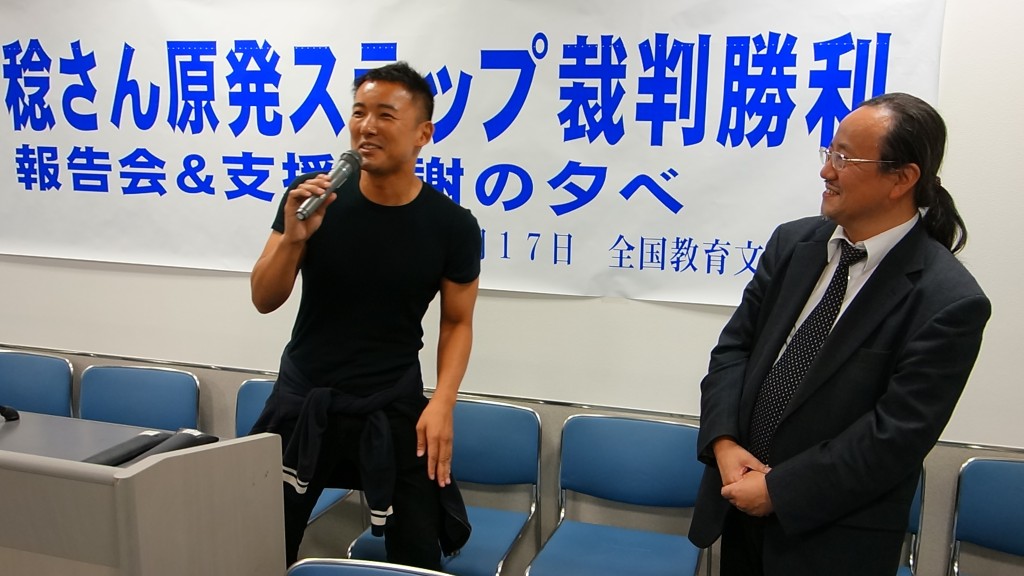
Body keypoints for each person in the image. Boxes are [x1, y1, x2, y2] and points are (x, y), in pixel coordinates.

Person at [688, 93, 991, 575]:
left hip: (830, 538)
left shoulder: (947, 300)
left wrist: (779, 492)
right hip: (739, 508)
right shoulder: (793, 244)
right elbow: (734, 350)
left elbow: (895, 436)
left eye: (845, 158)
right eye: (829, 153)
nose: (827, 171)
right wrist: (724, 443)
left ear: (902, 179)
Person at [248, 61, 480, 569]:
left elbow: (458, 322)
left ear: (424, 133)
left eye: (385, 114)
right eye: (359, 112)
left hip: (392, 403)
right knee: (259, 543)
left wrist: (443, 401)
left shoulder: (452, 226)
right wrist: (293, 238)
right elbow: (264, 297)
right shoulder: (312, 198)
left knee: (417, 556)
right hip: (305, 397)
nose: (367, 126)